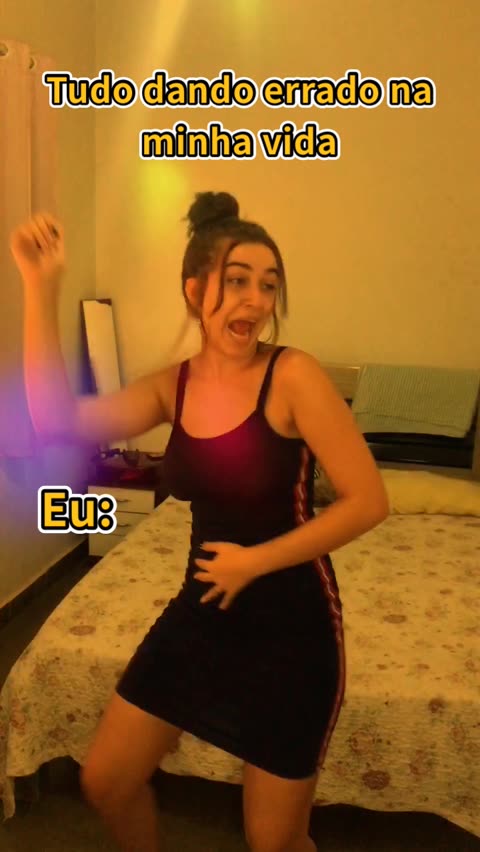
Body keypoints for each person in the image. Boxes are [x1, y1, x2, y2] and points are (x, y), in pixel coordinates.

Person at [10, 192, 389, 852]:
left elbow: (368, 501)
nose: (256, 301)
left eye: (268, 284)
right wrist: (40, 285)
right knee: (107, 782)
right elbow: (54, 421)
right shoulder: (173, 386)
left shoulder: (294, 376)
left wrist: (254, 561)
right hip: (202, 615)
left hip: (292, 632)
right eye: (237, 281)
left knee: (275, 841)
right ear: (195, 289)